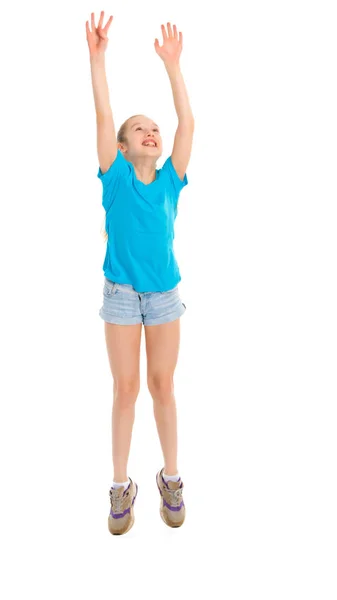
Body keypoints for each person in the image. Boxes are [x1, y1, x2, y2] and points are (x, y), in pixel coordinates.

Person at [86, 11, 194, 535]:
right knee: (125, 388)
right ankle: (119, 486)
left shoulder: (172, 178)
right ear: (125, 149)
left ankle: (171, 478)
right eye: (139, 129)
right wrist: (97, 58)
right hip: (122, 294)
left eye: (154, 128)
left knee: (162, 385)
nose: (150, 132)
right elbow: (105, 116)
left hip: (165, 294)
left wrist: (173, 66)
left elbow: (187, 125)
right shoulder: (114, 179)